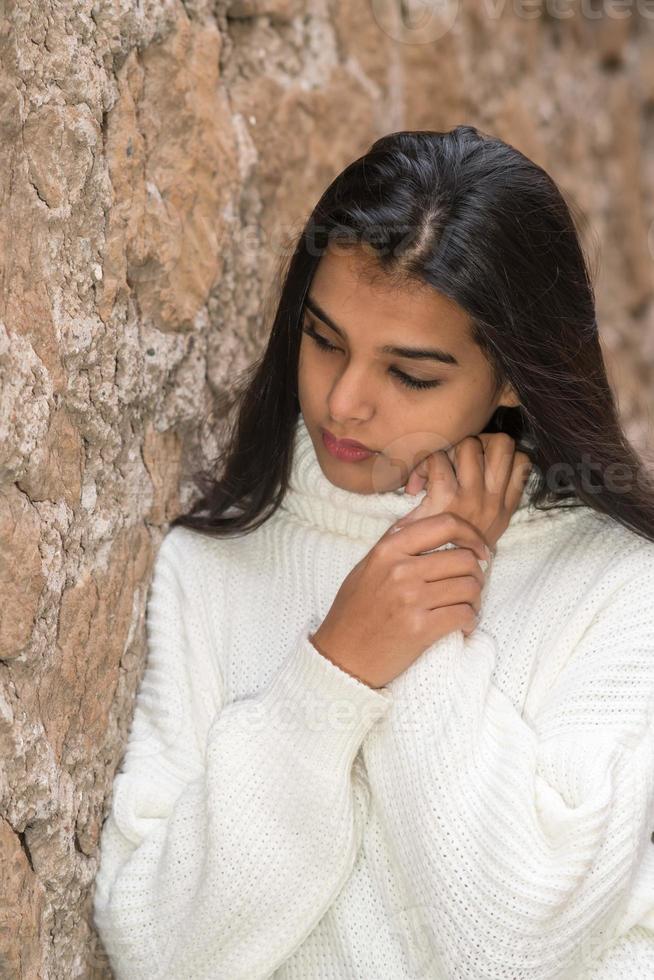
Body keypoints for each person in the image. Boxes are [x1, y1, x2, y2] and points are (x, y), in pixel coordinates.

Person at [92, 126, 654, 978]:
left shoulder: (615, 584)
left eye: (411, 375)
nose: (345, 401)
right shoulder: (213, 566)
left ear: (511, 377)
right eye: (323, 339)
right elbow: (159, 952)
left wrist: (427, 597)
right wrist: (335, 670)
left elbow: (509, 947)